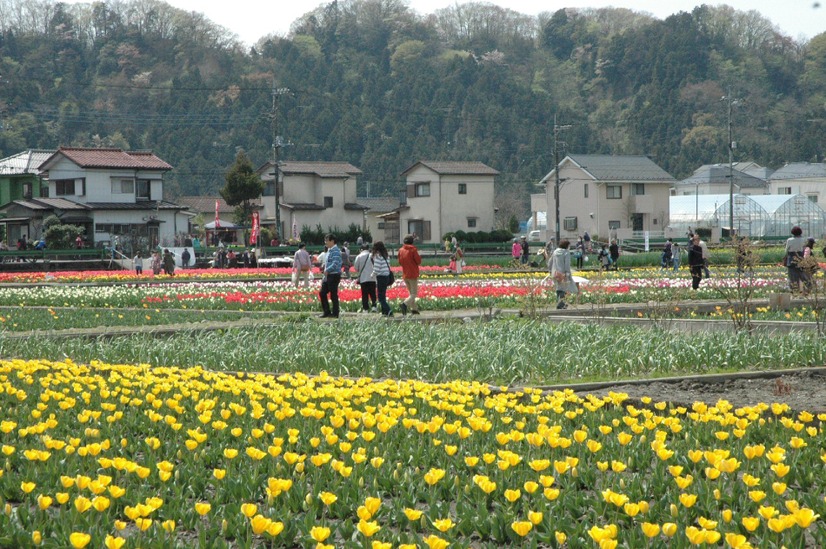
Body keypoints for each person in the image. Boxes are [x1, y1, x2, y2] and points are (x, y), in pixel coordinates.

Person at [549, 239, 577, 309]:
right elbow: (567, 264)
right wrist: (567, 273)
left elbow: (550, 262)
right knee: (563, 288)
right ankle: (561, 303)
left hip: (555, 273)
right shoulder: (566, 253)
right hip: (563, 273)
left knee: (558, 288)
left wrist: (550, 270)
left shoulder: (555, 252)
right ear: (566, 245)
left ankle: (559, 302)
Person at [318, 234, 342, 318]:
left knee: (333, 294)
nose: (325, 242)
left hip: (334, 275)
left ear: (332, 241)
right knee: (322, 293)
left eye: (327, 240)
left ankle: (335, 313)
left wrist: (327, 270)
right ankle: (327, 311)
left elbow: (335, 263)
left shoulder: (335, 251)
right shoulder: (330, 250)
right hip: (329, 275)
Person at [398, 234, 422, 315]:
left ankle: (414, 309)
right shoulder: (413, 250)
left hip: (405, 274)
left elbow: (400, 262)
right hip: (413, 273)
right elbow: (418, 261)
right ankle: (404, 304)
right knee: (414, 294)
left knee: (411, 293)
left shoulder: (401, 250)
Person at [372, 241, 394, 317]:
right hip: (387, 276)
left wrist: (372, 275)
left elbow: (376, 268)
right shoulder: (386, 255)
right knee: (383, 295)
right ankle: (384, 312)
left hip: (381, 277)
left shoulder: (378, 256)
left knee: (380, 297)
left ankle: (389, 311)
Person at [354, 243, 377, 313]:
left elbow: (356, 268)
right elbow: (376, 265)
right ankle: (374, 307)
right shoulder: (372, 256)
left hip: (363, 278)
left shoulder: (359, 256)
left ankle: (365, 309)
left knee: (364, 294)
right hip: (372, 278)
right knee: (373, 293)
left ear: (361, 249)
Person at [784, 226, 806, 293]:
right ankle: (804, 290)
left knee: (792, 277)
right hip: (800, 258)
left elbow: (786, 251)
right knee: (801, 275)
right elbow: (804, 249)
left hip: (791, 259)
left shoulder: (789, 240)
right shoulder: (803, 239)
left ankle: (794, 291)